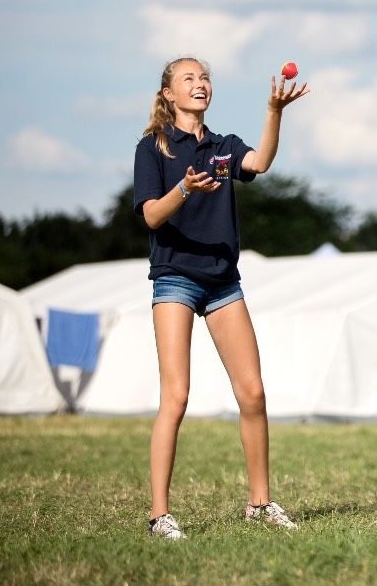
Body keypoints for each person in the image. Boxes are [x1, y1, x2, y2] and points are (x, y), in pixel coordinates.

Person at [133, 57, 307, 539]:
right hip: (175, 278)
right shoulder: (153, 148)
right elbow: (150, 216)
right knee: (177, 395)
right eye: (188, 79)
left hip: (223, 281)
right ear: (168, 93)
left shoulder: (222, 147)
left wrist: (275, 111)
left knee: (252, 392)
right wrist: (184, 189)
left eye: (204, 78)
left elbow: (262, 162)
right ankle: (159, 516)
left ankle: (260, 504)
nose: (200, 84)